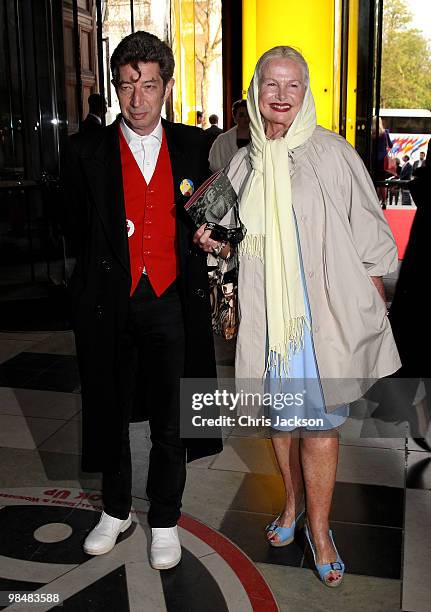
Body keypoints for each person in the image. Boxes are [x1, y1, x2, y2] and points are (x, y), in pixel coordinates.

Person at [195, 46, 400, 588]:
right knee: (281, 422)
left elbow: (369, 224)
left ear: (306, 91)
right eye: (271, 84)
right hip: (270, 320)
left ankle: (321, 527)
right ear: (255, 92)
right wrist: (213, 244)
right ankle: (290, 503)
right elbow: (233, 243)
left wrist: (376, 290)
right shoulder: (242, 163)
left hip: (320, 317)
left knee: (322, 425)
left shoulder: (332, 153)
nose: (281, 95)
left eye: (292, 85)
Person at [61, 31, 222, 571]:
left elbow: (223, 220)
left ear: (167, 87)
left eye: (148, 85)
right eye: (127, 85)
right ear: (116, 87)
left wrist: (213, 238)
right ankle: (114, 511)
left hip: (174, 302)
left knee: (173, 418)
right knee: (108, 406)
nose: (137, 98)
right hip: (112, 303)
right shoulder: (86, 151)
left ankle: (166, 518)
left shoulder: (198, 148)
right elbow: (72, 230)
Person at [209, 99, 250, 171]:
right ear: (235, 118)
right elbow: (215, 164)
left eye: (248, 115)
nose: (246, 118)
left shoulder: (261, 137)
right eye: (241, 115)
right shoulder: (222, 140)